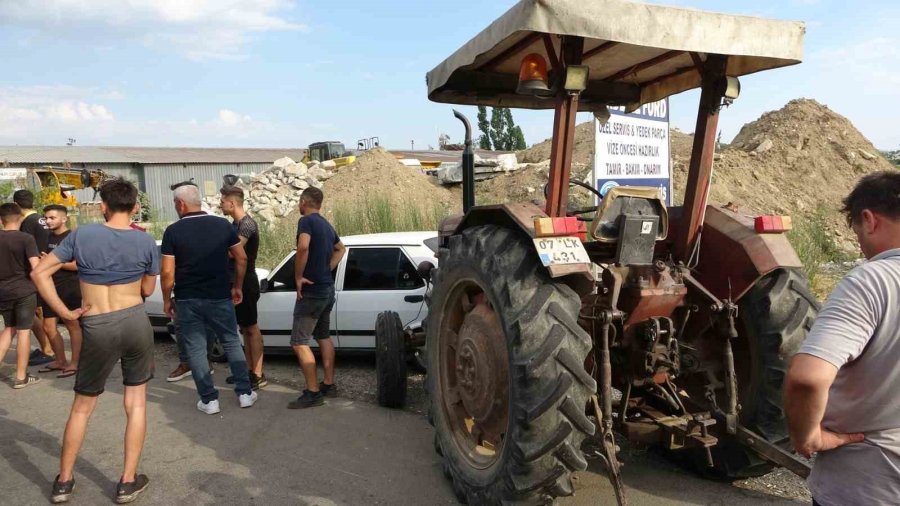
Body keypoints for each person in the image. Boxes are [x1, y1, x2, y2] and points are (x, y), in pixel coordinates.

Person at [31, 178, 159, 504]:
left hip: (97, 323)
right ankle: (128, 481)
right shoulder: (145, 242)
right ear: (133, 207)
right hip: (135, 321)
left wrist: (64, 312)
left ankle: (64, 481)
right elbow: (147, 291)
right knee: (136, 403)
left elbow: (39, 273)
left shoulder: (83, 234)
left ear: (102, 206)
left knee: (82, 406)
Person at [784, 171, 900, 506]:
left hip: (867, 487)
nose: (860, 246)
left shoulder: (872, 281)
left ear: (868, 219)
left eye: (856, 232)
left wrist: (807, 437)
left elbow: (807, 377)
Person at [160, 183, 257, 414]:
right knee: (231, 341)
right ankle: (244, 393)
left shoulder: (173, 231)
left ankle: (209, 400)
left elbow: (166, 273)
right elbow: (241, 259)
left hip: (187, 299)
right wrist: (237, 286)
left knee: (195, 348)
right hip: (220, 295)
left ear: (180, 204)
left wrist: (166, 299)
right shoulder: (222, 225)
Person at [287, 187, 345, 409]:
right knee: (323, 336)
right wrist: (325, 269)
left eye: (299, 202)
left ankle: (313, 393)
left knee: (299, 342)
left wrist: (299, 277)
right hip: (327, 289)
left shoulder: (307, 222)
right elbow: (341, 249)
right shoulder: (326, 224)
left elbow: (303, 247)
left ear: (304, 202)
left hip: (312, 291)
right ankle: (328, 384)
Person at [219, 186, 266, 389]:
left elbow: (234, 252)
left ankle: (258, 373)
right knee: (244, 328)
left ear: (232, 203)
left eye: (222, 201)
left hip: (246, 281)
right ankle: (248, 371)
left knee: (251, 327)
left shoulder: (247, 225)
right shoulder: (234, 224)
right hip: (236, 280)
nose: (220, 204)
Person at [37, 205, 82, 378]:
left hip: (69, 287)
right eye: (46, 218)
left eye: (52, 218)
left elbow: (78, 265)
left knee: (72, 325)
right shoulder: (47, 237)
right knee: (48, 326)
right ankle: (60, 360)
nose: (48, 221)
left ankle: (75, 363)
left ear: (64, 219)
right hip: (50, 286)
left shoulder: (72, 237)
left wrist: (53, 262)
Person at [0, 203, 42, 389]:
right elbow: (36, 266)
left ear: (1, 220)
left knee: (9, 328)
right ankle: (20, 376)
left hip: (3, 291)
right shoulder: (26, 239)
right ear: (20, 218)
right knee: (24, 332)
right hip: (24, 290)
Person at [13, 189, 55, 366]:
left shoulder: (27, 223)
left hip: (36, 271)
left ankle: (47, 349)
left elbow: (28, 251)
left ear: (16, 205)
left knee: (34, 311)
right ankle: (48, 348)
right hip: (50, 267)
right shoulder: (41, 218)